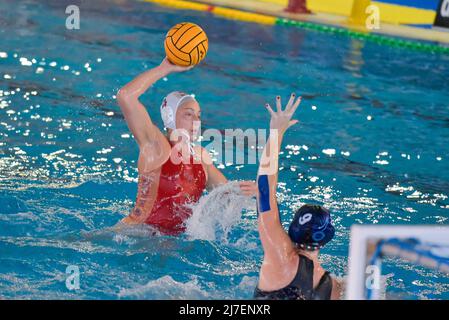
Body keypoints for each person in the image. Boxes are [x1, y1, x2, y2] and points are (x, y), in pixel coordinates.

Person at [116, 58, 257, 235]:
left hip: (169, 245)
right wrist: (164, 68)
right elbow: (125, 96)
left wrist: (254, 190)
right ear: (169, 116)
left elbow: (226, 194)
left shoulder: (200, 158)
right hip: (134, 234)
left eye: (198, 115)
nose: (196, 121)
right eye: (188, 114)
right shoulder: (156, 147)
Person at [254, 93, 341, 300]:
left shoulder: (280, 256)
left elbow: (264, 189)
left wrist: (276, 132)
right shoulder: (334, 288)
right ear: (327, 237)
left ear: (293, 229)